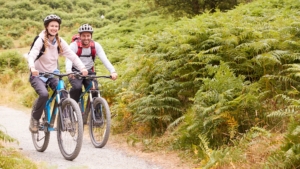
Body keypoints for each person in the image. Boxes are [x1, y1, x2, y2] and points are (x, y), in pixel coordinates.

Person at [27, 14, 88, 133]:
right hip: (37, 74)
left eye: (56, 26)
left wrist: (82, 68)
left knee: (63, 92)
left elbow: (72, 55)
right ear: (46, 27)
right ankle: (34, 119)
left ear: (58, 28)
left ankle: (66, 119)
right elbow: (32, 54)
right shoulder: (40, 40)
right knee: (44, 95)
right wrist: (32, 67)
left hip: (52, 74)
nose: (54, 28)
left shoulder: (59, 41)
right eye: (52, 26)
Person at [65, 24, 117, 105]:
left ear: (91, 36)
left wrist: (112, 71)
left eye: (88, 35)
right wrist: (69, 71)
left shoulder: (96, 46)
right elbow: (69, 59)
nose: (86, 38)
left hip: (89, 71)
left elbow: (104, 59)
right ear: (79, 36)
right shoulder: (74, 45)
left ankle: (96, 115)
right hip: (75, 71)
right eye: (83, 36)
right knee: (77, 88)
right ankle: (71, 107)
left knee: (94, 90)